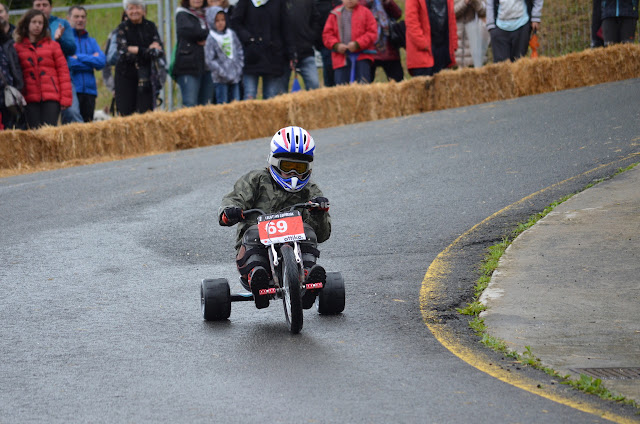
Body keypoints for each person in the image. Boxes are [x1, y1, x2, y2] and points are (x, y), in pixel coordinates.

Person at [218, 126, 331, 309]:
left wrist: (318, 212)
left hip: (296, 246)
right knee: (253, 233)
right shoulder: (256, 179)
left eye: (299, 168)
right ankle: (257, 276)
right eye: (288, 167)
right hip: (256, 243)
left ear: (308, 168)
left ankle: (309, 277)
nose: (294, 174)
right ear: (275, 162)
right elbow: (234, 199)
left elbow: (322, 235)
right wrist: (230, 212)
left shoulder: (310, 190)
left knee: (308, 231)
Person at [14, 9, 72, 129]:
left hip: (51, 97)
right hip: (29, 97)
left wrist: (65, 98)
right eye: (34, 22)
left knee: (49, 133)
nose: (37, 25)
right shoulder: (17, 47)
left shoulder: (53, 46)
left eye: (40, 23)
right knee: (34, 134)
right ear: (26, 24)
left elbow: (63, 71)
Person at [230, 0, 295, 100]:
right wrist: (248, 38)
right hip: (251, 55)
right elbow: (235, 22)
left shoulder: (279, 2)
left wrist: (291, 54)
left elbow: (286, 28)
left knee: (270, 97)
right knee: (250, 95)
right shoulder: (245, 2)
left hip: (273, 55)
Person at [32, 0, 83, 124]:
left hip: (62, 76)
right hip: (39, 80)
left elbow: (72, 49)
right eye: (38, 5)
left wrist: (59, 40)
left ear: (51, 7)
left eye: (45, 5)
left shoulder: (61, 23)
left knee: (72, 112)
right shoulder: (29, 26)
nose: (41, 8)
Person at [115, 0, 164, 116]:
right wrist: (147, 50)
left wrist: (136, 50)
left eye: (137, 8)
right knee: (126, 114)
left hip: (145, 75)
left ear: (143, 10)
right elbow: (123, 52)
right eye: (130, 8)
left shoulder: (150, 26)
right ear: (126, 11)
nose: (134, 11)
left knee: (146, 114)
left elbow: (158, 51)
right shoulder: (122, 28)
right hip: (125, 75)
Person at [322, 0, 378, 85]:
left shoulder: (366, 13)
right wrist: (336, 45)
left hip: (362, 57)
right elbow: (327, 35)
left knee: (363, 88)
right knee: (342, 91)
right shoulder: (334, 14)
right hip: (341, 59)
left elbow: (372, 33)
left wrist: (358, 44)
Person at [67, 6, 106, 123]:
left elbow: (101, 62)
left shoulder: (91, 41)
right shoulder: (66, 40)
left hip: (90, 91)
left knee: (88, 128)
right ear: (68, 19)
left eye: (83, 17)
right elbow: (69, 63)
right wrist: (91, 60)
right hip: (73, 90)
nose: (80, 20)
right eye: (76, 17)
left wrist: (78, 56)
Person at [174, 0, 214, 107]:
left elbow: (221, 29)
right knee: (190, 104)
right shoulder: (182, 14)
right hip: (189, 67)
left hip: (209, 67)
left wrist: (208, 37)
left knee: (206, 106)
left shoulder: (210, 13)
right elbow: (191, 32)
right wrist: (210, 35)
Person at [405, 0, 458, 76]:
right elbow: (412, 23)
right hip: (423, 55)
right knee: (424, 86)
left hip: (442, 52)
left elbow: (451, 19)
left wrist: (453, 44)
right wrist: (424, 44)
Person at [204, 6, 243, 103]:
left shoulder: (231, 34)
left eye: (222, 20)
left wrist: (238, 68)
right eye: (217, 21)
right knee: (223, 104)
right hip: (220, 79)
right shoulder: (211, 38)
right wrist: (222, 72)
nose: (220, 23)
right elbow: (210, 59)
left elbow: (239, 50)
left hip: (235, 77)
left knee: (235, 103)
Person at [359, 0, 404, 82]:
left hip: (389, 47)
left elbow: (398, 14)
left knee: (397, 82)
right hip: (369, 49)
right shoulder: (360, 3)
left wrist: (388, 2)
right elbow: (356, 15)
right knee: (364, 83)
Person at [283, 0, 322, 91]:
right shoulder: (278, 3)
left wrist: (310, 36)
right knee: (280, 91)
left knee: (314, 84)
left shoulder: (307, 2)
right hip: (283, 55)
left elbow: (316, 19)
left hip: (305, 51)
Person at [0, 15, 23, 130]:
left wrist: (18, 87)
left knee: (9, 129)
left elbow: (15, 68)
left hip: (6, 96)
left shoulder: (8, 44)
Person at [454, 0, 488, 67]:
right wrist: (464, 2)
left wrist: (475, 2)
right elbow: (450, 13)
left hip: (474, 35)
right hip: (457, 36)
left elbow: (484, 11)